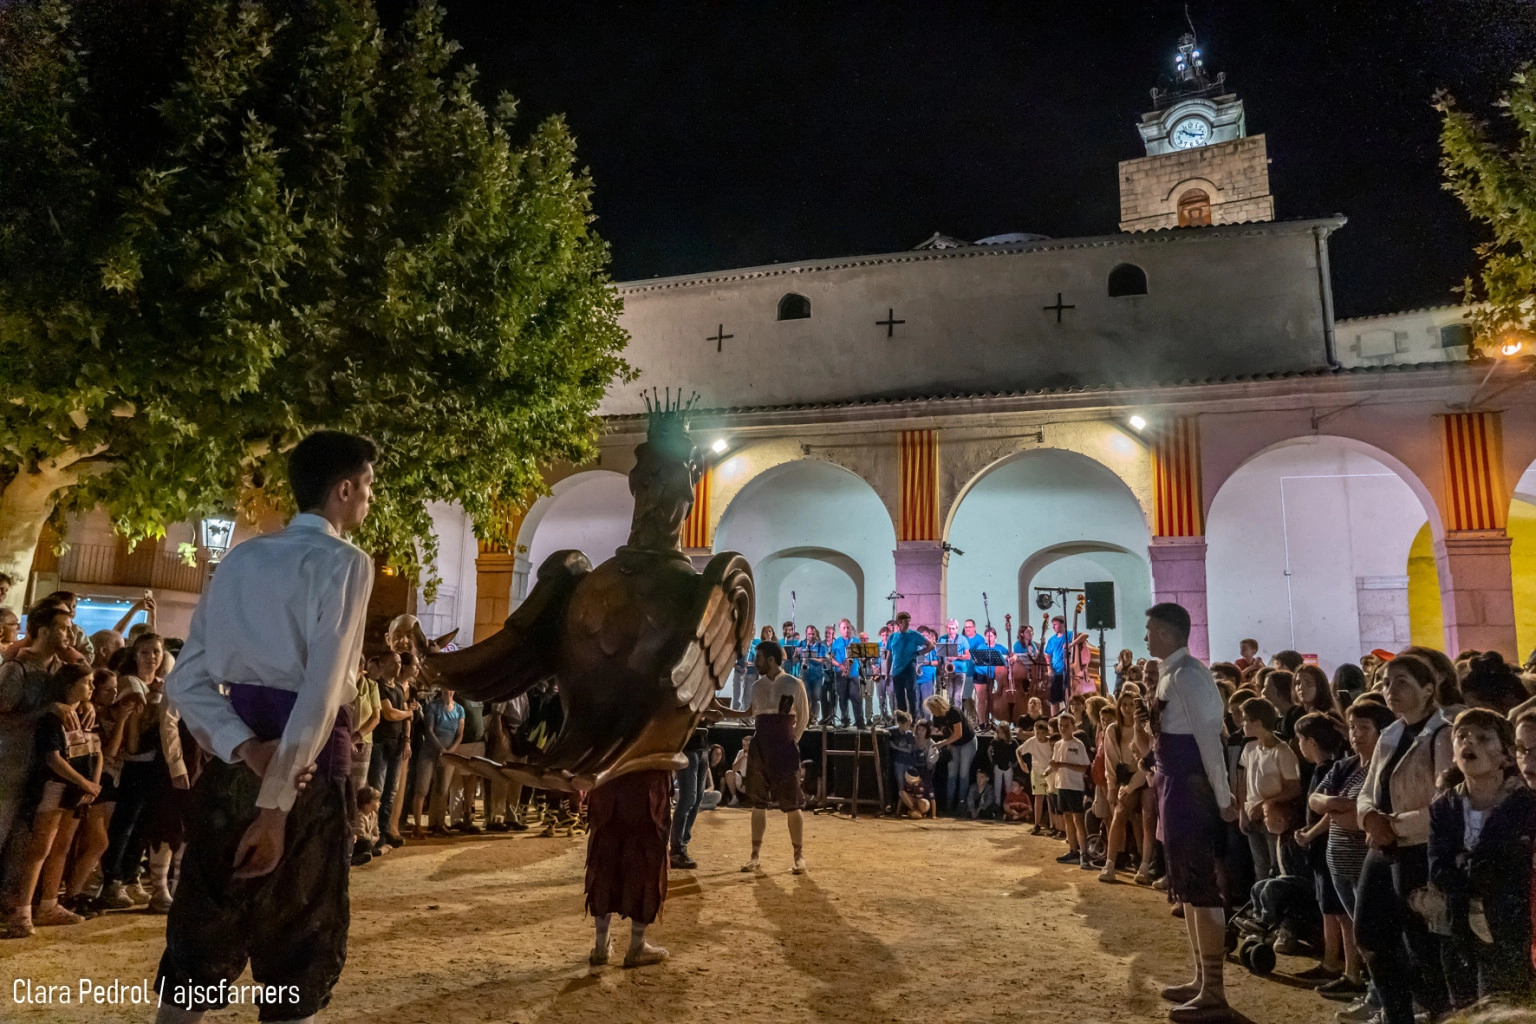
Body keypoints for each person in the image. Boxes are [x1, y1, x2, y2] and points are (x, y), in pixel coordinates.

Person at [157, 430, 377, 1024]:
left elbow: (184, 680)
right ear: (344, 489)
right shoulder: (347, 563)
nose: (370, 499)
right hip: (306, 773)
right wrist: (276, 805)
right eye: (368, 487)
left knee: (200, 936)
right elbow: (321, 692)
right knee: (298, 949)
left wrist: (244, 747)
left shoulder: (242, 558)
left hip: (234, 767)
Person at [1145, 602, 1235, 1024]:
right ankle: (1201, 979)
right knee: (1186, 885)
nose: (1146, 637)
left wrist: (1223, 798)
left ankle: (1214, 990)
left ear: (1167, 633)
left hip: (1190, 787)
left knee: (1200, 885)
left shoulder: (1187, 676)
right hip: (1175, 785)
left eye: (1151, 630)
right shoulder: (1175, 673)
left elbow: (1209, 740)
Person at [1353, 651, 1455, 1024]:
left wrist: (1392, 825)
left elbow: (1444, 805)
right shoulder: (1391, 734)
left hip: (1420, 851)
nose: (1389, 689)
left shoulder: (1443, 735)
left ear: (1428, 689)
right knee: (1370, 934)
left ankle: (1437, 1012)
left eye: (1401, 682)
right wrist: (1368, 817)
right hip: (1384, 848)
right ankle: (1396, 1014)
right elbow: (1368, 789)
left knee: (1422, 945)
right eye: (1385, 682)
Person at [1427, 708, 1535, 1004]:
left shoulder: (1523, 804)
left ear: (1506, 756)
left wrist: (1466, 867)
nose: (1469, 742)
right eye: (1461, 736)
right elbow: (1438, 869)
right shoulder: (1444, 807)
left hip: (1509, 928)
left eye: (1484, 738)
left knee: (1505, 1004)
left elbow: (1512, 868)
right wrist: (1471, 875)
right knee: (1466, 1005)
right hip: (1461, 926)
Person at [2, 664, 101, 935]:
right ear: (69, 686)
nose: (92, 688)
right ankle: (22, 912)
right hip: (55, 787)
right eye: (87, 682)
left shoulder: (85, 713)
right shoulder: (54, 717)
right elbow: (52, 758)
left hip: (76, 789)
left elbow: (96, 748)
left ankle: (49, 903)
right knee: (40, 848)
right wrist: (85, 783)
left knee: (62, 846)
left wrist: (92, 783)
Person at [0, 604, 75, 864]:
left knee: (22, 847)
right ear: (44, 631)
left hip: (39, 771)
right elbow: (3, 719)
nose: (70, 635)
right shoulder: (16, 669)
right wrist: (47, 709)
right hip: (9, 766)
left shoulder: (59, 669)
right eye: (64, 628)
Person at [737, 640, 810, 875]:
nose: (755, 662)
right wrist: (722, 711)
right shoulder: (757, 686)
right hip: (761, 747)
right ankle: (754, 856)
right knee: (758, 802)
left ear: (770, 659)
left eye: (758, 658)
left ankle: (799, 856)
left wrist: (791, 740)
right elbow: (751, 713)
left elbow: (804, 717)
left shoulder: (794, 684)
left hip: (784, 747)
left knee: (792, 802)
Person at [1237, 696, 1301, 881]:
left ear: (1258, 722)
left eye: (1245, 720)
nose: (1242, 724)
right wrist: (1242, 812)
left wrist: (1267, 803)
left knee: (1276, 864)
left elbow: (1294, 788)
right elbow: (1243, 782)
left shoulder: (1282, 752)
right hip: (1252, 815)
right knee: (1260, 865)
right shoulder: (1250, 748)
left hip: (1272, 816)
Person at [1050, 711, 1092, 866]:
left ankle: (1084, 853)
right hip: (1062, 785)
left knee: (1078, 819)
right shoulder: (1058, 745)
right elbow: (1056, 764)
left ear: (1073, 727)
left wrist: (1063, 764)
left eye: (1066, 726)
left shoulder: (1078, 744)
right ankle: (1073, 850)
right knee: (1067, 818)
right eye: (1060, 726)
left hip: (1075, 786)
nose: (1062, 729)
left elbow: (1084, 767)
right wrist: (1052, 768)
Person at [926, 693, 975, 817]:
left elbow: (958, 734)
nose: (931, 711)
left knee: (963, 773)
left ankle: (961, 804)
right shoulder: (937, 717)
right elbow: (944, 732)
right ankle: (949, 804)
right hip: (953, 744)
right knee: (952, 773)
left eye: (932, 709)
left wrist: (943, 743)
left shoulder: (954, 712)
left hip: (967, 742)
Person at [886, 612, 933, 718]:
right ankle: (903, 721)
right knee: (899, 698)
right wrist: (887, 674)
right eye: (904, 622)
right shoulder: (892, 637)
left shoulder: (914, 634)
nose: (907, 624)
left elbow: (931, 645)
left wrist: (919, 653)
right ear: (899, 622)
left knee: (911, 696)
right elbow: (889, 657)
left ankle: (913, 721)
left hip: (909, 668)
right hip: (896, 671)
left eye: (908, 621)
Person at [1019, 719, 1054, 836]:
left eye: (1043, 733)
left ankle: (1053, 825)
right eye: (1037, 733)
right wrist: (1022, 763)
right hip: (1037, 772)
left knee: (1050, 798)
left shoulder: (1051, 742)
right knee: (1038, 798)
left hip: (1050, 772)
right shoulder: (1032, 741)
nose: (1040, 736)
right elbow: (1018, 751)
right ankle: (1037, 824)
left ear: (1047, 732)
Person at [830, 619, 864, 729]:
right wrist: (839, 665)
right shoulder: (836, 642)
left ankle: (859, 721)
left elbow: (862, 657)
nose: (846, 630)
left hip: (853, 673)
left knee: (856, 698)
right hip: (841, 673)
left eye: (848, 627)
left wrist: (857, 657)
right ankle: (845, 720)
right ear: (840, 629)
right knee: (842, 698)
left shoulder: (856, 641)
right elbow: (831, 658)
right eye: (844, 628)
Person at [1044, 616, 1073, 713]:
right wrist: (1049, 669)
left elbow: (1084, 636)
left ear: (1063, 624)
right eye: (1053, 625)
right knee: (1054, 699)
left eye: (1055, 624)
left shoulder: (1070, 635)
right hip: (1056, 673)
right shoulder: (1051, 640)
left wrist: (1071, 644)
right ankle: (1054, 719)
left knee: (1068, 698)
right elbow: (1048, 655)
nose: (1053, 627)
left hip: (1068, 672)